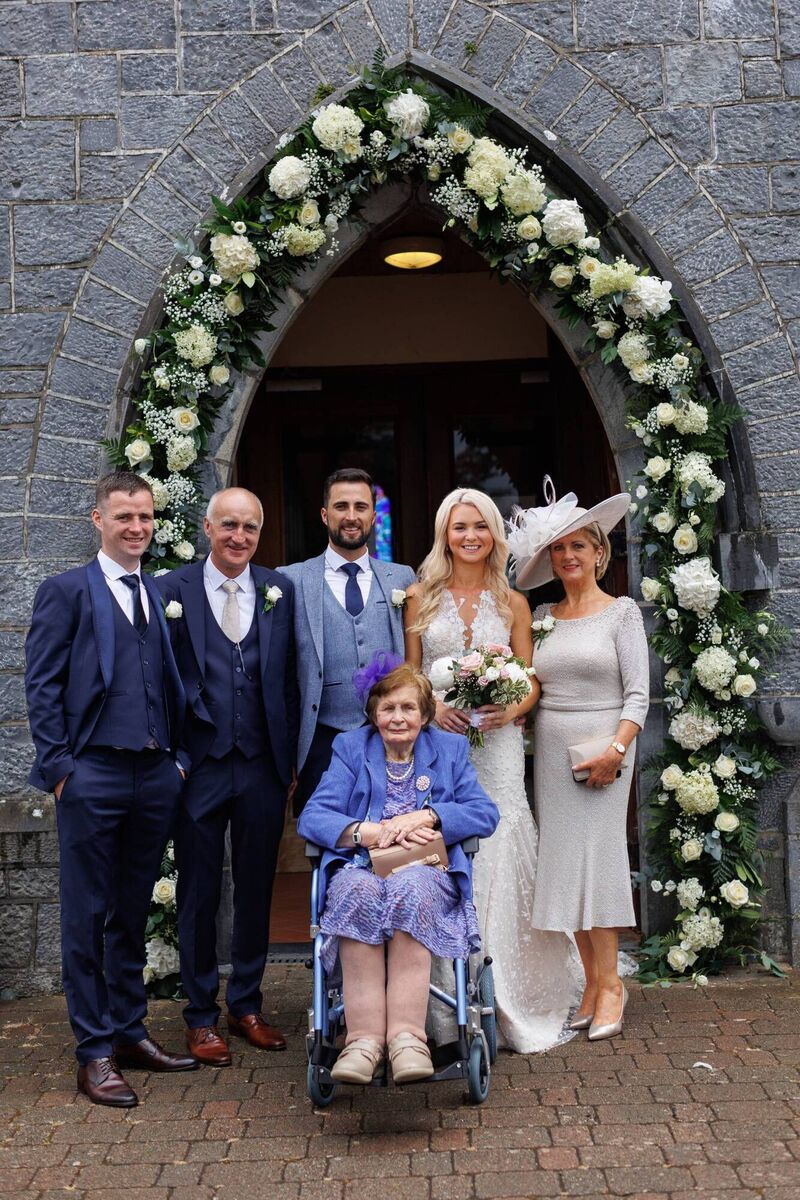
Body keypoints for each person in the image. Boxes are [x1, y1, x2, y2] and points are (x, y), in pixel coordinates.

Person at [25, 471, 197, 1108]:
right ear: (98, 519)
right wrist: (61, 768)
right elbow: (42, 684)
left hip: (154, 774)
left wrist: (179, 760)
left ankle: (128, 1032)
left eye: (145, 516)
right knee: (86, 915)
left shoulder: (156, 592)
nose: (137, 527)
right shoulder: (66, 591)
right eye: (124, 516)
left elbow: (173, 681)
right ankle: (93, 1051)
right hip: (91, 773)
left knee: (130, 910)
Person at [405, 488, 583, 1053]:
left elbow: (529, 679)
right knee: (442, 848)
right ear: (445, 533)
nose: (470, 536)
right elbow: (411, 676)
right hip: (439, 744)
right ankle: (445, 999)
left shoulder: (513, 602)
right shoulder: (418, 597)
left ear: (494, 535)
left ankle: (509, 986)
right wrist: (433, 708)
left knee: (503, 843)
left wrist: (511, 708)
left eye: (480, 526)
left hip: (499, 745)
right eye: (460, 527)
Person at [297, 661, 498, 1084]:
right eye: (388, 708)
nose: (398, 717)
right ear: (374, 713)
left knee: (411, 886)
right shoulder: (351, 748)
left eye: (408, 708)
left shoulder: (449, 750)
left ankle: (408, 1039)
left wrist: (431, 817)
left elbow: (484, 812)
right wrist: (363, 832)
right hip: (362, 866)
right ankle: (363, 1042)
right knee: (354, 891)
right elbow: (314, 816)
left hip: (426, 871)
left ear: (425, 715)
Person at [156, 487, 298, 1065]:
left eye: (250, 527)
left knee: (257, 886)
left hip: (263, 765)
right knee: (198, 890)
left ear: (259, 534)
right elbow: (156, 679)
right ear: (208, 529)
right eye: (230, 525)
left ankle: (246, 1004)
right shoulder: (172, 590)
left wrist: (288, 758)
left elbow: (291, 677)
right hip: (199, 765)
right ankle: (199, 1015)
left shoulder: (278, 590)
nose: (240, 537)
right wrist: (172, 756)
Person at [509, 483, 648, 1040]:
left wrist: (617, 751)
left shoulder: (622, 613)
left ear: (599, 552)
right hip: (552, 754)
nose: (569, 556)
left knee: (600, 861)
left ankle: (612, 984)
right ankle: (591, 983)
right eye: (559, 548)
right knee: (567, 865)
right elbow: (531, 684)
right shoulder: (543, 615)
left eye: (578, 546)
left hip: (605, 751)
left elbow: (638, 695)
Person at [279, 468, 415, 810]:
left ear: (373, 515)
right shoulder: (292, 579)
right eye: (341, 506)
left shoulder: (401, 577)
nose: (351, 516)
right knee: (324, 833)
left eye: (360, 507)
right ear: (325, 515)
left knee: (394, 830)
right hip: (320, 740)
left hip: (390, 734)